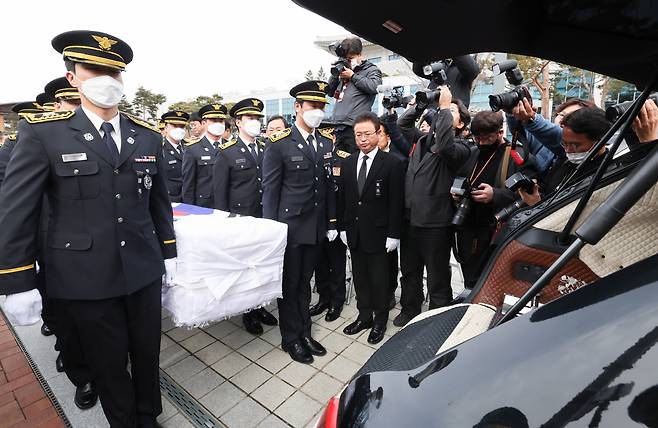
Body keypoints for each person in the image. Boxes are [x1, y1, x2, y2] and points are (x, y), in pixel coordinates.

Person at [0, 30, 176, 427]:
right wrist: (16, 279)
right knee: (109, 362)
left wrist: (169, 252)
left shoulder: (145, 133)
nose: (106, 79)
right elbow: (17, 209)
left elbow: (158, 200)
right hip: (84, 277)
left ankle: (149, 416)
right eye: (93, 69)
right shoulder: (44, 132)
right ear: (72, 77)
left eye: (114, 72)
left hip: (142, 270)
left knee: (147, 353)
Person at [262, 80, 337, 364]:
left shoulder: (325, 141)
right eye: (312, 105)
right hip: (289, 229)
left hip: (316, 227)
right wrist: (272, 231)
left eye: (321, 106)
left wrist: (330, 223)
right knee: (289, 285)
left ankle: (305, 332)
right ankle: (290, 338)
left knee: (306, 283)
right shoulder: (279, 144)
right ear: (298, 107)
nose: (317, 110)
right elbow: (270, 191)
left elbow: (329, 187)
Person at [393, 86, 471, 327]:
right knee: (409, 271)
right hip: (410, 221)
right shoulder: (423, 140)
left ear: (459, 125)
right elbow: (403, 126)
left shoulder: (460, 148)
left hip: (435, 224)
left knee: (437, 276)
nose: (445, 112)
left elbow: (446, 146)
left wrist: (447, 107)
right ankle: (410, 310)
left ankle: (436, 319)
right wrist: (419, 105)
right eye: (444, 110)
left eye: (453, 113)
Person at [214, 98, 278, 334]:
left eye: (257, 118)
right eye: (250, 118)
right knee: (244, 268)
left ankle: (260, 306)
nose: (255, 122)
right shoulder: (226, 152)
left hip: (263, 216)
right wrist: (223, 223)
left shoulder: (265, 147)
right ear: (238, 122)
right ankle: (248, 313)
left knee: (261, 265)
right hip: (240, 219)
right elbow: (220, 193)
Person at [338, 112, 404, 344]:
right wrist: (344, 228)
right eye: (358, 135)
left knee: (380, 280)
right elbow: (345, 199)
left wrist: (394, 235)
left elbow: (397, 202)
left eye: (367, 134)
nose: (363, 139)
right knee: (360, 278)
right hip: (355, 233)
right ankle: (364, 316)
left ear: (378, 133)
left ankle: (380, 321)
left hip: (380, 234)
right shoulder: (347, 163)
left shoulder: (393, 163)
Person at [454, 111, 528, 289]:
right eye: (477, 137)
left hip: (494, 229)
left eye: (486, 138)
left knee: (487, 280)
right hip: (467, 224)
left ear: (500, 132)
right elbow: (459, 178)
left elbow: (529, 195)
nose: (481, 142)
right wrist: (456, 192)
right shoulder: (472, 152)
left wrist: (495, 194)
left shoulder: (515, 155)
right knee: (469, 276)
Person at [518, 106, 612, 206]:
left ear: (600, 141)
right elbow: (547, 188)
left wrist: (537, 206)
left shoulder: (605, 177)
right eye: (564, 144)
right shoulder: (564, 160)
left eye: (575, 145)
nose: (567, 150)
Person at [309, 125, 350, 322]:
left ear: (333, 138)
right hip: (316, 222)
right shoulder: (312, 158)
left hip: (337, 222)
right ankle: (324, 298)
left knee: (337, 264)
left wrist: (340, 225)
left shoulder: (344, 158)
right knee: (320, 264)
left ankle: (337, 301)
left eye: (327, 135)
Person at [507, 97, 597, 172]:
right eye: (562, 115)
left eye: (572, 117)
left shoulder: (575, 153)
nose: (563, 121)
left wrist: (532, 119)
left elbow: (556, 134)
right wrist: (511, 113)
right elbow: (522, 134)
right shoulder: (544, 143)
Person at [327, 37, 382, 153]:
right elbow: (330, 91)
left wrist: (352, 76)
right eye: (345, 58)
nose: (348, 61)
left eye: (350, 58)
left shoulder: (371, 69)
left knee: (354, 163)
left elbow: (374, 87)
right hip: (338, 126)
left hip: (356, 127)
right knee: (338, 166)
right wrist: (335, 74)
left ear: (360, 55)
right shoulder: (343, 70)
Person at [182, 103, 229, 207]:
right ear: (204, 123)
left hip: (229, 204)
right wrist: (189, 210)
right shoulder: (192, 149)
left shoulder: (232, 147)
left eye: (221, 121)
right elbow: (188, 185)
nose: (218, 124)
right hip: (204, 206)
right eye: (213, 120)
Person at [412, 55, 480, 108]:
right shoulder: (441, 64)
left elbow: (472, 70)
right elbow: (418, 69)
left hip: (452, 114)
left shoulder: (465, 69)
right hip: (431, 113)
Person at [160, 110, 188, 203]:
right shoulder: (158, 148)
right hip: (169, 199)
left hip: (189, 198)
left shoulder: (190, 147)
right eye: (175, 126)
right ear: (166, 127)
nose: (179, 129)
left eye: (182, 126)